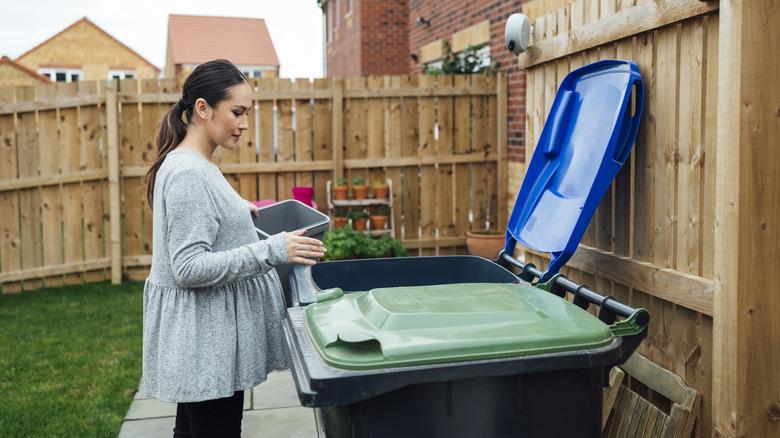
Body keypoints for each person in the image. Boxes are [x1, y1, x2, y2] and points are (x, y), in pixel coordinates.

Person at [141, 59, 326, 437]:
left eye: (247, 113)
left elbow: (202, 217)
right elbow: (188, 268)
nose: (244, 123)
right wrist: (274, 250)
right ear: (203, 108)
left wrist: (237, 211)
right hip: (205, 345)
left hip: (206, 343)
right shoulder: (189, 173)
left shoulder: (193, 165)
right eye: (237, 112)